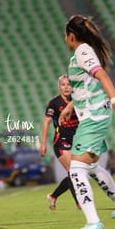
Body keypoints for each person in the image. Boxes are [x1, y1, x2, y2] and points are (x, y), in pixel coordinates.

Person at [59, 15, 115, 229]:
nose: (65, 39)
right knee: (90, 167)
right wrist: (70, 106)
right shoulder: (83, 52)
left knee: (76, 169)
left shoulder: (82, 51)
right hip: (94, 115)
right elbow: (87, 85)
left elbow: (101, 76)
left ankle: (93, 222)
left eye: (66, 35)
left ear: (71, 36)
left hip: (93, 117)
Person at [40, 75, 80, 210]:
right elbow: (46, 123)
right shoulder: (54, 103)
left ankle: (53, 196)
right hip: (61, 141)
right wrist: (43, 143)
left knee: (76, 173)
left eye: (69, 84)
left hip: (77, 141)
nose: (66, 87)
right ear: (59, 87)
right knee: (74, 171)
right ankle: (79, 203)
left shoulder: (77, 100)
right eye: (63, 84)